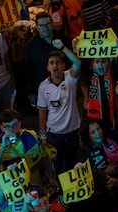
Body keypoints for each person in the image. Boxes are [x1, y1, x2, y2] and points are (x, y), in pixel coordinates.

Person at [37, 39, 81, 175]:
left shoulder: (70, 78)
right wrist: (43, 136)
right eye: (51, 63)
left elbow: (78, 63)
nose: (55, 66)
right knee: (57, 167)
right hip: (54, 134)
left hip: (73, 131)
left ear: (63, 65)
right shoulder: (43, 86)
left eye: (58, 62)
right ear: (47, 67)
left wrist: (63, 46)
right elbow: (42, 113)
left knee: (73, 165)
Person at [0, 108, 53, 186]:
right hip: (13, 188)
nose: (11, 130)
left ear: (20, 124)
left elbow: (44, 156)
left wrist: (51, 176)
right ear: (2, 128)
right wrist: (2, 148)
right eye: (7, 127)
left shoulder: (32, 136)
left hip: (35, 185)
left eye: (14, 125)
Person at [24, 11, 70, 110]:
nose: (45, 28)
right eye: (41, 25)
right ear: (37, 27)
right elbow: (28, 70)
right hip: (42, 89)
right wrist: (31, 92)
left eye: (48, 24)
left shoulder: (63, 39)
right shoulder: (31, 45)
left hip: (63, 87)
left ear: (52, 24)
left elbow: (71, 63)